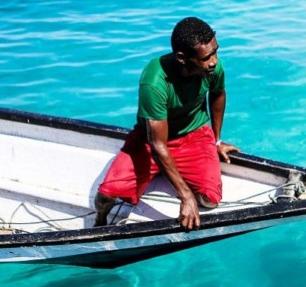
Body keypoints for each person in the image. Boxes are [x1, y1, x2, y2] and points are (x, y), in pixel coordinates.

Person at [94, 17, 239, 230]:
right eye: (207, 57)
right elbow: (156, 144)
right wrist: (186, 196)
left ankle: (167, 170)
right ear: (182, 58)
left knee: (210, 199)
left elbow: (217, 94)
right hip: (150, 141)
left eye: (216, 51)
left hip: (194, 135)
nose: (214, 61)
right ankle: (98, 223)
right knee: (106, 196)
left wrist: (216, 141)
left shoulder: (212, 68)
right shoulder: (154, 82)